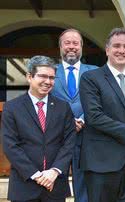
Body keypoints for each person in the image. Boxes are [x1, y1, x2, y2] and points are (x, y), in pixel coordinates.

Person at [79, 28, 125, 202]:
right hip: (102, 162)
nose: (121, 50)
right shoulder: (91, 78)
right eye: (117, 46)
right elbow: (94, 116)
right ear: (107, 49)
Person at [2, 55, 76, 201]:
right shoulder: (12, 108)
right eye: (43, 76)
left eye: (52, 78)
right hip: (24, 185)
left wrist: (54, 171)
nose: (48, 81)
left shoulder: (63, 107)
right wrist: (37, 175)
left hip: (55, 185)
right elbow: (10, 145)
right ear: (29, 77)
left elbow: (69, 142)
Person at [51, 28, 97, 202]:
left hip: (87, 138)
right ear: (60, 46)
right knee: (54, 188)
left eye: (75, 43)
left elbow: (99, 101)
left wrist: (84, 119)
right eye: (67, 43)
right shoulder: (50, 72)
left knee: (84, 189)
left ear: (82, 46)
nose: (71, 46)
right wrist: (68, 121)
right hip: (57, 139)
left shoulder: (94, 71)